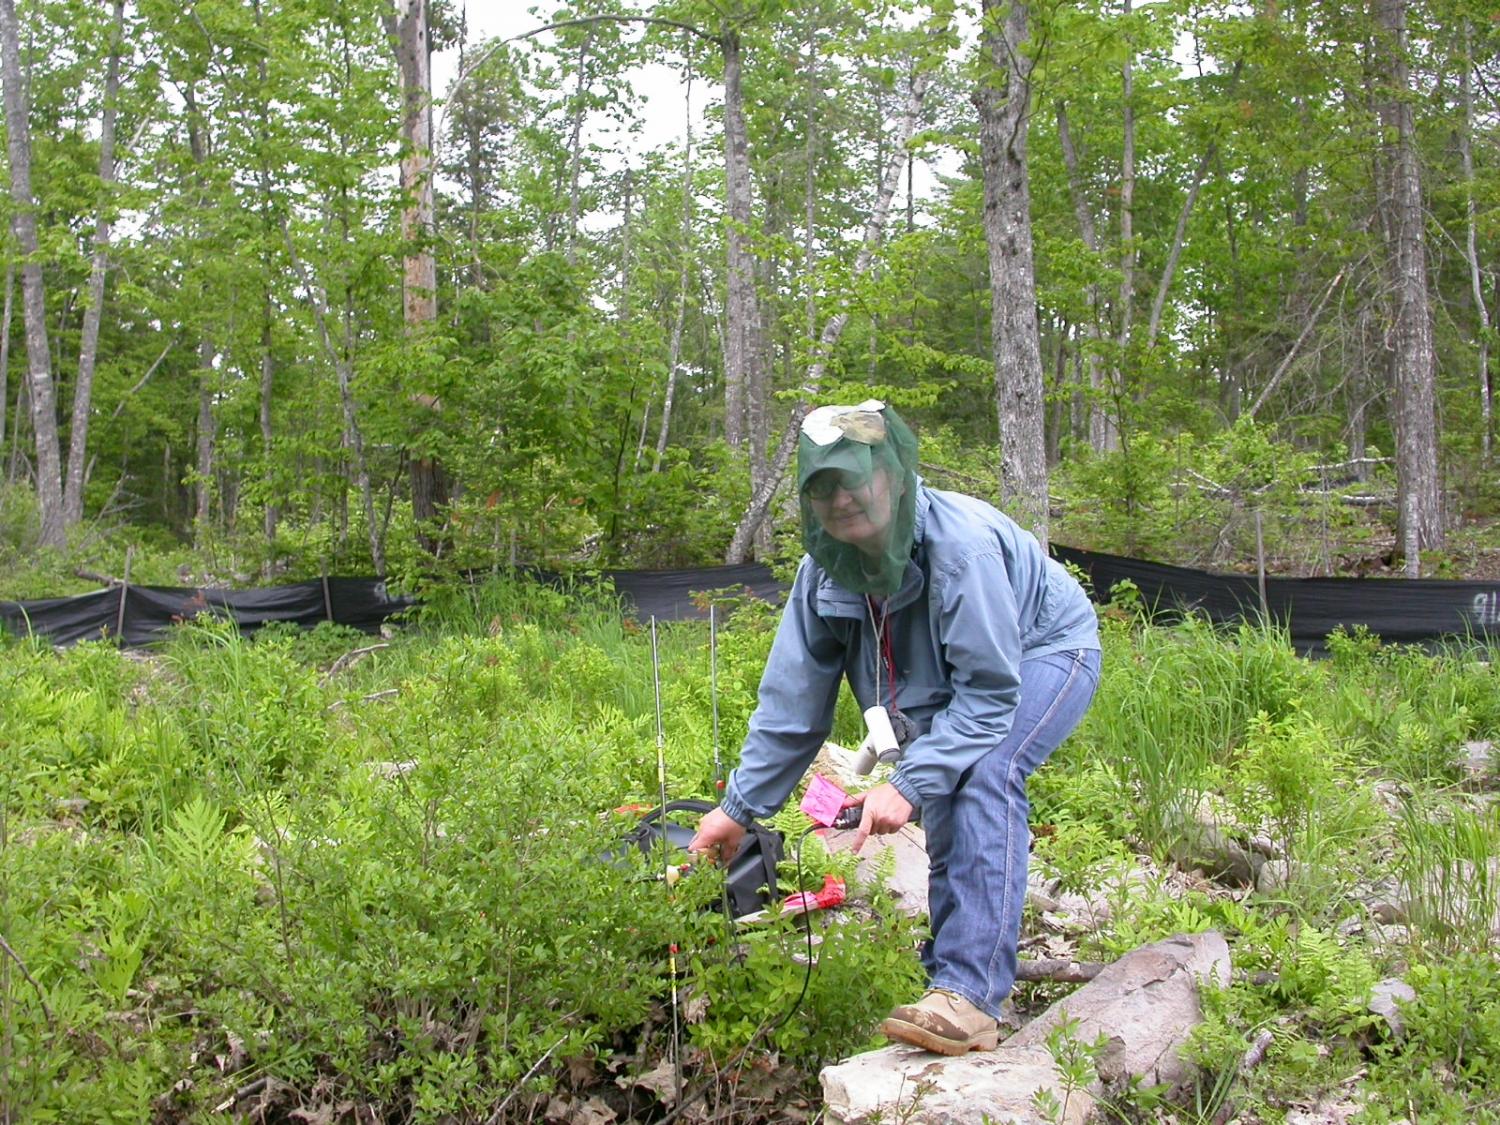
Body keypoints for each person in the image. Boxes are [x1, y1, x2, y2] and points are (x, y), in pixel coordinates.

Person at [688, 400, 1101, 1056]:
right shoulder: (821, 570)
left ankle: (971, 995)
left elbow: (990, 696)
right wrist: (737, 810)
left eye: (856, 477)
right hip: (965, 683)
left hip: (1045, 647)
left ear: (895, 476)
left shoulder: (958, 547)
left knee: (985, 768)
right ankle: (948, 978)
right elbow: (792, 707)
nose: (842, 497)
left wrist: (908, 781)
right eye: (822, 485)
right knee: (947, 779)